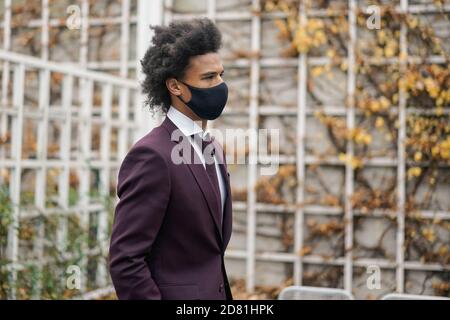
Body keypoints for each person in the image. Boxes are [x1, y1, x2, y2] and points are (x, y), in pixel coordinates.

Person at [108, 18, 233, 300]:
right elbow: (126, 260)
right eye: (209, 78)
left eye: (221, 75)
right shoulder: (151, 155)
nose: (221, 85)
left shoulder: (212, 147)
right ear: (175, 86)